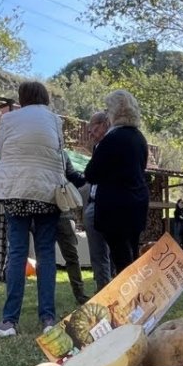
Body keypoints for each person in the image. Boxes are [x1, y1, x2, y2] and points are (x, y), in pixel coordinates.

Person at [0, 82, 66, 338]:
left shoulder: (9, 118)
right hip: (47, 191)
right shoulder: (55, 120)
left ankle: (9, 321)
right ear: (45, 98)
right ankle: (49, 319)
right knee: (46, 254)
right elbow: (59, 151)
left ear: (22, 98)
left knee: (17, 253)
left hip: (15, 189)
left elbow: (2, 150)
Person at [85, 90, 150, 276]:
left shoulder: (112, 139)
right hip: (137, 204)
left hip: (115, 208)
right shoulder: (140, 138)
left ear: (113, 112)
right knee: (130, 256)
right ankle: (136, 299)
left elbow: (91, 173)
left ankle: (129, 302)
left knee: (121, 260)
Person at [81, 111, 114, 292]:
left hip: (109, 204)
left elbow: (91, 173)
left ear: (103, 124)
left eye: (91, 128)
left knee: (113, 251)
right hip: (94, 203)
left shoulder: (112, 142)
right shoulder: (97, 147)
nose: (89, 133)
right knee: (97, 253)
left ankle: (114, 289)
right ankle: (103, 289)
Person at [58, 153, 91, 305]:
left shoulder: (62, 154)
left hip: (63, 212)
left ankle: (80, 293)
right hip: (51, 213)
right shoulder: (59, 154)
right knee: (68, 257)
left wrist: (90, 174)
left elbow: (74, 177)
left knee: (71, 256)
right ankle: (46, 300)